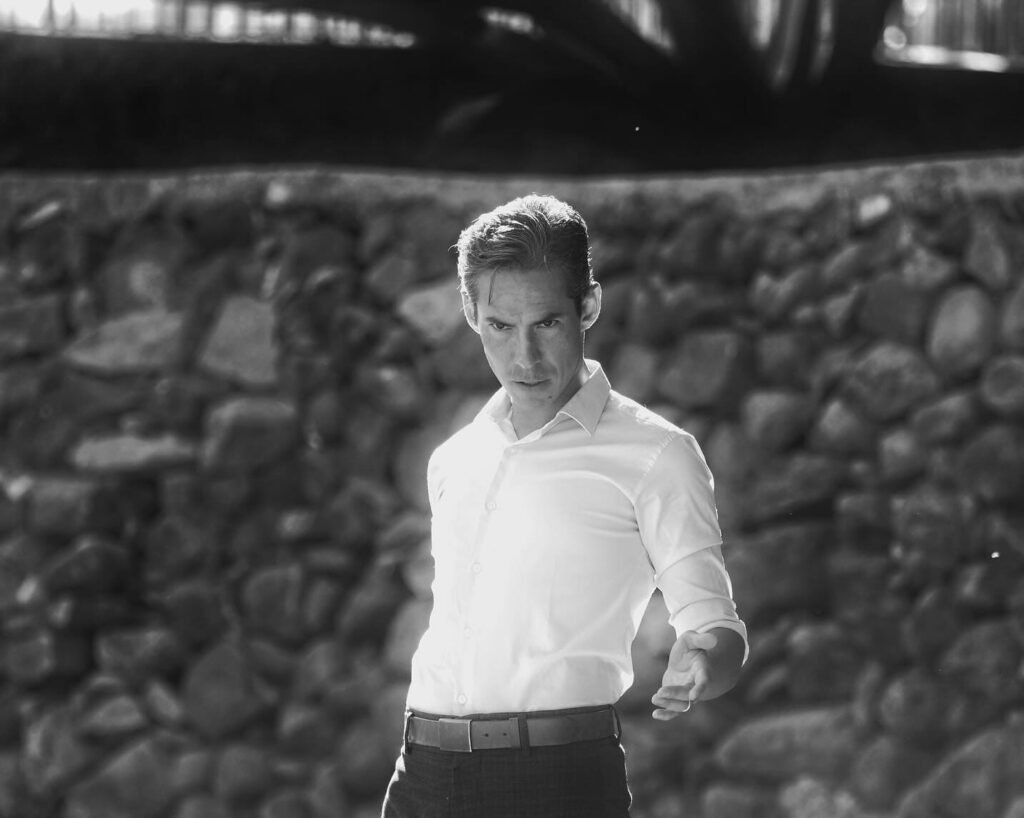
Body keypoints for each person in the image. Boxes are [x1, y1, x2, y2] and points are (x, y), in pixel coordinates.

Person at [382, 194, 747, 818]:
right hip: (420, 776)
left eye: (547, 323)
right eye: (500, 326)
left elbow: (717, 626)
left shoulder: (658, 455)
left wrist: (704, 660)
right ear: (470, 313)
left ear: (589, 307)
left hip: (557, 783)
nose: (524, 358)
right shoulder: (454, 458)